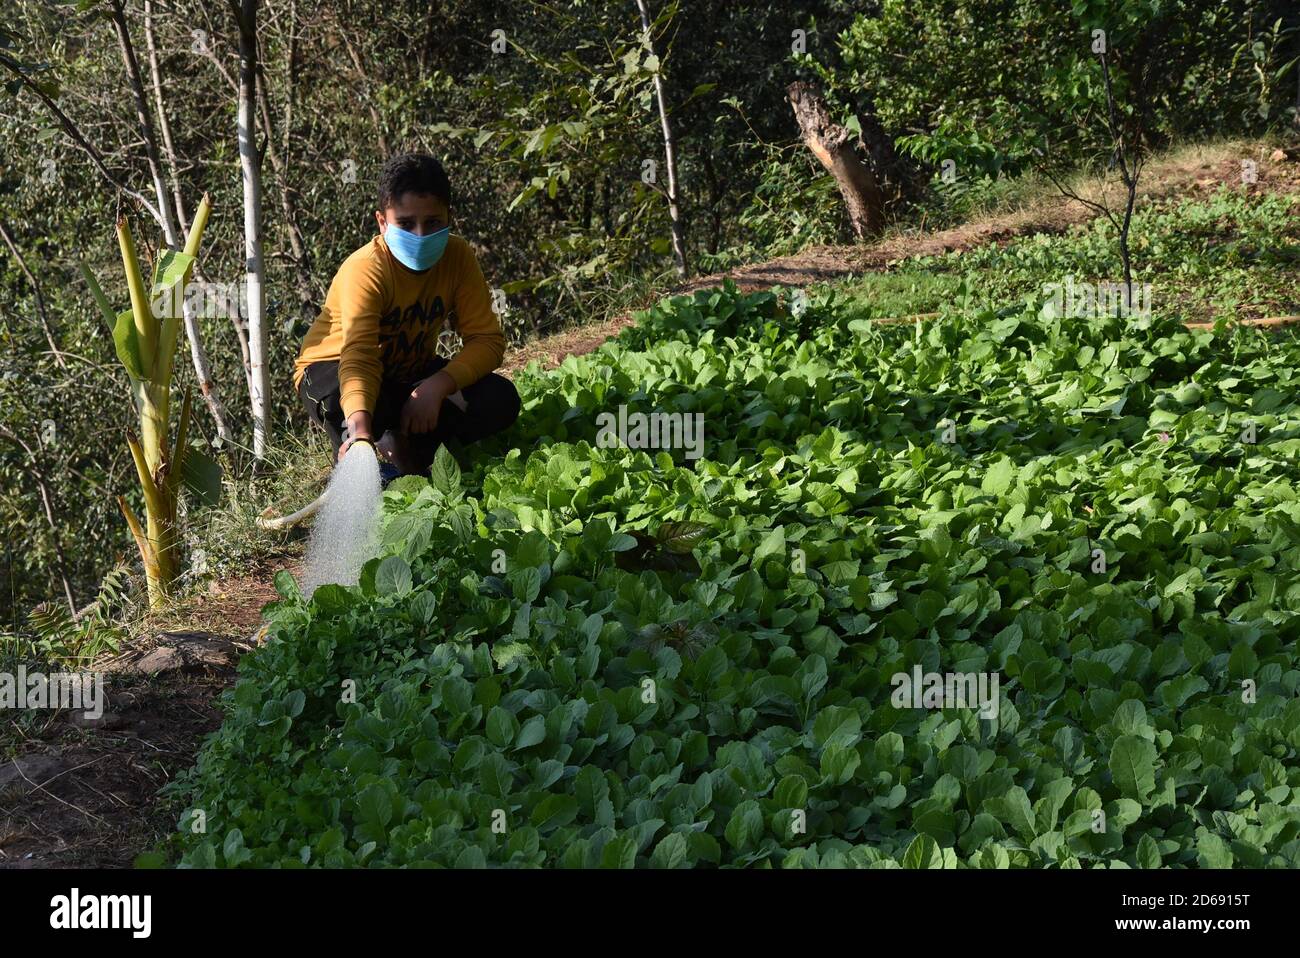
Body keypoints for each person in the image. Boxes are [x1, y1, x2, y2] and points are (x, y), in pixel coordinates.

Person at [294, 152, 520, 484]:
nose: (419, 234)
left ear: (449, 217)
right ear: (382, 222)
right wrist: (359, 429)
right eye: (405, 223)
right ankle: (368, 450)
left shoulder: (458, 257)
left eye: (432, 222)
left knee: (499, 399)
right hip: (334, 367)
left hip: (406, 374)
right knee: (352, 414)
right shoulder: (365, 269)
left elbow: (487, 341)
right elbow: (359, 358)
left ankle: (402, 447)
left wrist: (436, 387)